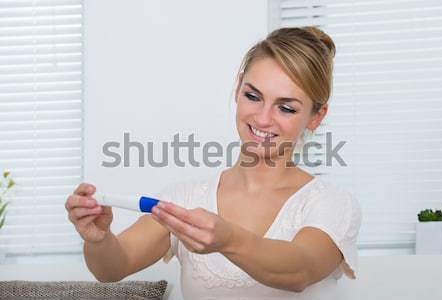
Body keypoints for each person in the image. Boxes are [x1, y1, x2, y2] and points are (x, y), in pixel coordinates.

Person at [65, 26, 362, 299]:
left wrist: (229, 239)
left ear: (316, 117)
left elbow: (300, 270)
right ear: (238, 90)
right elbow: (113, 268)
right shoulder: (186, 198)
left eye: (285, 108)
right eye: (253, 96)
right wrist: (98, 239)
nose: (262, 118)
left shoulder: (332, 204)